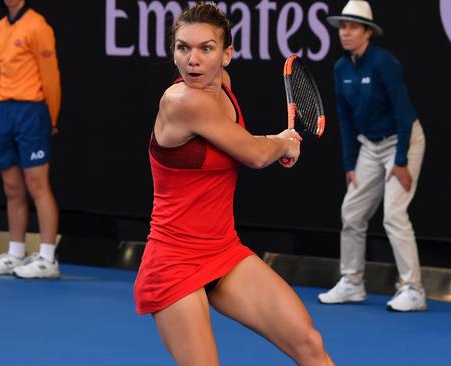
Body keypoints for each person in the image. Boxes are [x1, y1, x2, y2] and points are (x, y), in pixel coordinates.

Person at [133, 3, 335, 365]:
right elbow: (255, 154)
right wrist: (281, 144)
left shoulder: (221, 86)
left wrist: (275, 142)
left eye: (206, 48)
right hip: (173, 260)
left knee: (309, 342)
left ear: (227, 55)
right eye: (183, 48)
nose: (193, 59)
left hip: (223, 251)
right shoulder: (181, 101)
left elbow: (243, 143)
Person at [317, 0, 427, 312]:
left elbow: (403, 114)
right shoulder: (341, 69)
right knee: (351, 213)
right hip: (369, 146)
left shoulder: (384, 63)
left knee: (394, 214)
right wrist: (350, 164)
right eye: (343, 27)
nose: (345, 33)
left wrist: (402, 161)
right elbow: (346, 120)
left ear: (367, 33)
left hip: (402, 142)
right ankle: (352, 282)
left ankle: (413, 289)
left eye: (353, 27)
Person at [0, 0, 61, 279]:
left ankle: (47, 257)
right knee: (12, 187)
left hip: (32, 111)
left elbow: (51, 77)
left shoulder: (38, 26)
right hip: (4, 110)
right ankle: (15, 253)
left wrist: (51, 116)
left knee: (37, 185)